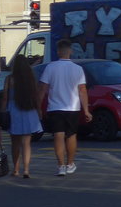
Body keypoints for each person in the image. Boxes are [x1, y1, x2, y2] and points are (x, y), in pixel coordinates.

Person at [38, 39, 91, 176]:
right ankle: (70, 163)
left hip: (55, 107)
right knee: (71, 135)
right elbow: (82, 90)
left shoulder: (50, 67)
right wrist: (86, 110)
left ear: (58, 52)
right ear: (71, 51)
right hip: (73, 107)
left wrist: (38, 107)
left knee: (58, 136)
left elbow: (43, 89)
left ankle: (60, 166)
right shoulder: (78, 69)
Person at [3, 54, 44, 178]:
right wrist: (39, 110)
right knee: (27, 142)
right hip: (28, 110)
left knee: (15, 142)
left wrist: (2, 111)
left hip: (14, 111)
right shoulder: (30, 78)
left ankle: (15, 170)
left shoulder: (10, 79)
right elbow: (36, 96)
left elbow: (5, 97)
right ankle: (26, 170)